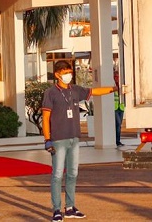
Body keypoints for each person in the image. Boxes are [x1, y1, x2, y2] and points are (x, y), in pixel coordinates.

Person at [42, 60, 115, 221]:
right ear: (57, 75)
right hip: (58, 139)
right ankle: (56, 210)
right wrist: (47, 139)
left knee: (73, 173)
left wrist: (113, 89)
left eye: (69, 72)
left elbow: (94, 92)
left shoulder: (75, 90)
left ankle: (69, 207)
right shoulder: (51, 93)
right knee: (57, 175)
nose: (68, 75)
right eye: (65, 72)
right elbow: (45, 118)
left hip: (74, 138)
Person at [113, 69, 125, 148]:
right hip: (115, 108)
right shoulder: (113, 86)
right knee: (117, 124)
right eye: (116, 77)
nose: (117, 78)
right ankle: (116, 141)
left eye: (118, 77)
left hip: (121, 107)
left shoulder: (122, 85)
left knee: (119, 125)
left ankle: (118, 140)